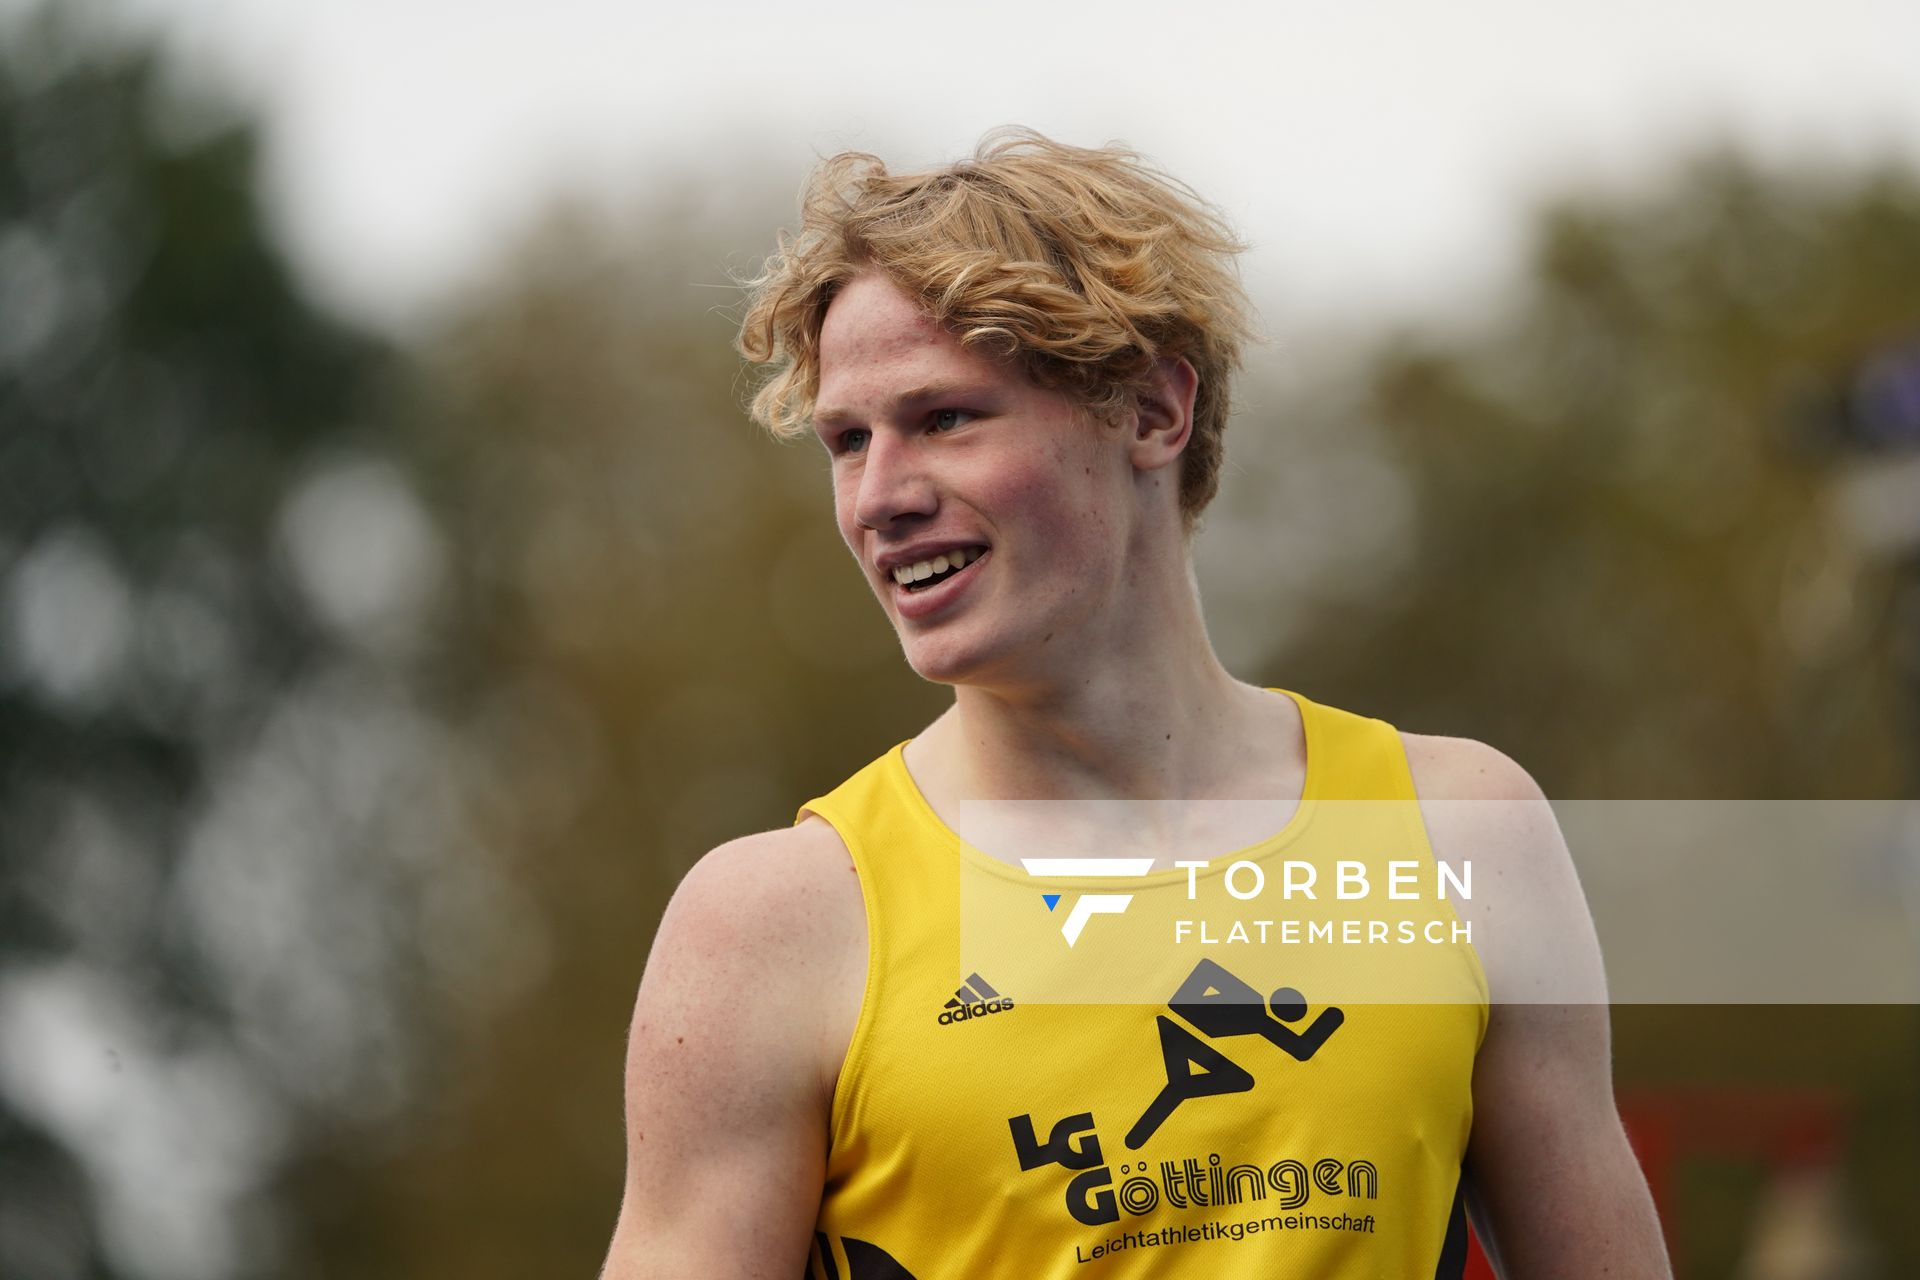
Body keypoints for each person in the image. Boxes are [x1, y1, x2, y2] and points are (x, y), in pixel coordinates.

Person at [600, 129, 1670, 1279]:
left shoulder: (1457, 827)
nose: (879, 498)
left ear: (1156, 412)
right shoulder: (773, 922)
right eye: (848, 441)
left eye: (944, 418)